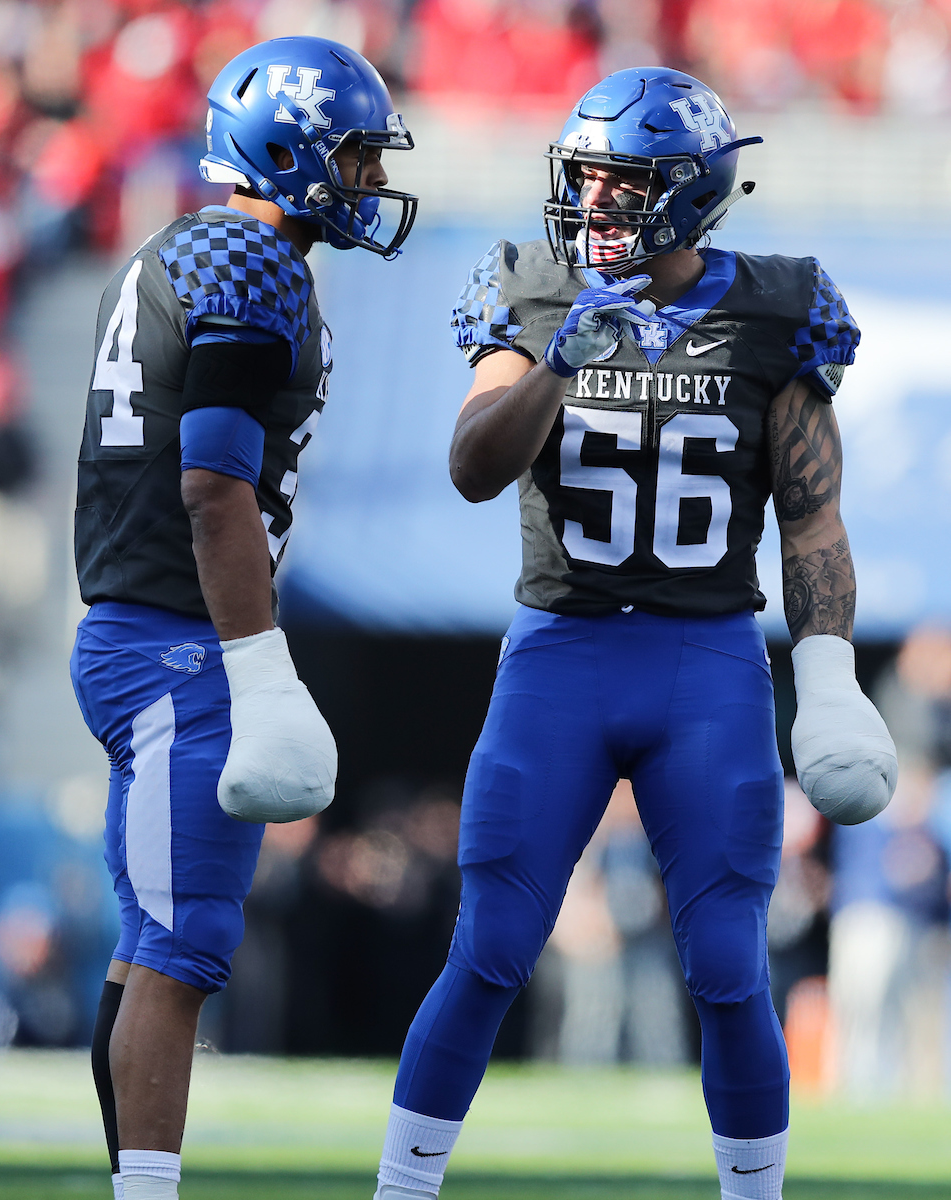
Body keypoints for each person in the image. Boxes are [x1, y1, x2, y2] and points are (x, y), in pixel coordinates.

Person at [372, 68, 897, 1200]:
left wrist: (830, 677)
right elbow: (472, 467)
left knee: (728, 965)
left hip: (706, 661)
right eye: (586, 176)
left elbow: (812, 519)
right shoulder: (532, 287)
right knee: (491, 945)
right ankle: (401, 1191)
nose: (594, 200)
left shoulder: (778, 307)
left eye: (623, 180)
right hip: (559, 650)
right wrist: (560, 362)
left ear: (691, 190)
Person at [69, 36, 417, 1200]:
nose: (371, 179)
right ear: (289, 149)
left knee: (155, 941)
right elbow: (213, 484)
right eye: (355, 154)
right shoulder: (251, 259)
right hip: (177, 638)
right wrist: (257, 665)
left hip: (145, 629)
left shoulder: (183, 247)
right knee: (186, 943)